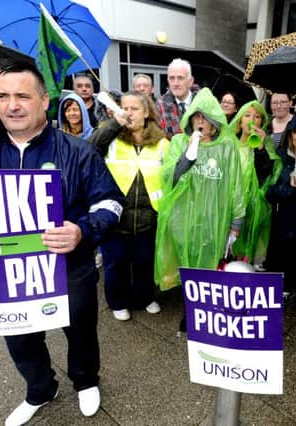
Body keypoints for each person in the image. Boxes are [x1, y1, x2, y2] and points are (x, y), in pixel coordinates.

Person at [0, 61, 124, 425]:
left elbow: (110, 203)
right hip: (6, 276)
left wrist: (82, 230)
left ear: (44, 101)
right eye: (2, 96)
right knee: (19, 338)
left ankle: (85, 380)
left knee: (80, 330)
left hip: (69, 268)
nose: (11, 105)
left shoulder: (78, 151)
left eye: (21, 96)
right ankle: (40, 389)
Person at [154, 87, 245, 292]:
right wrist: (189, 153)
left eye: (206, 118)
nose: (201, 122)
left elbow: (236, 187)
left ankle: (206, 310)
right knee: (187, 265)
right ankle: (191, 308)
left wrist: (236, 224)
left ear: (215, 123)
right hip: (184, 218)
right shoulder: (179, 142)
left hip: (214, 220)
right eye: (196, 117)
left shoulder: (227, 147)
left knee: (210, 267)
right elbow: (170, 178)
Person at [93, 91, 169, 321]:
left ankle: (144, 298)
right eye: (123, 108)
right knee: (115, 264)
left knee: (144, 262)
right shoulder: (112, 138)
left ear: (146, 113)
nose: (128, 113)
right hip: (116, 220)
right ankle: (117, 301)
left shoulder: (162, 142)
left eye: (134, 108)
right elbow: (90, 147)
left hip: (148, 219)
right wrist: (114, 124)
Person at [264, 113, 296, 312]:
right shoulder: (280, 157)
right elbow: (269, 191)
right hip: (282, 216)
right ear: (289, 135)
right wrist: (289, 187)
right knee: (279, 253)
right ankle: (281, 289)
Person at [229, 100, 282, 265]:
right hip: (229, 209)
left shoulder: (266, 148)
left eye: (257, 116)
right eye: (247, 115)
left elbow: (265, 177)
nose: (252, 119)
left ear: (262, 122)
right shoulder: (229, 145)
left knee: (245, 256)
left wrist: (260, 149)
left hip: (253, 210)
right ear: (239, 121)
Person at [156, 58, 199, 139]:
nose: (175, 83)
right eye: (172, 78)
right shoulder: (159, 105)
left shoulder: (204, 102)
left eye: (180, 78)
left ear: (190, 81)